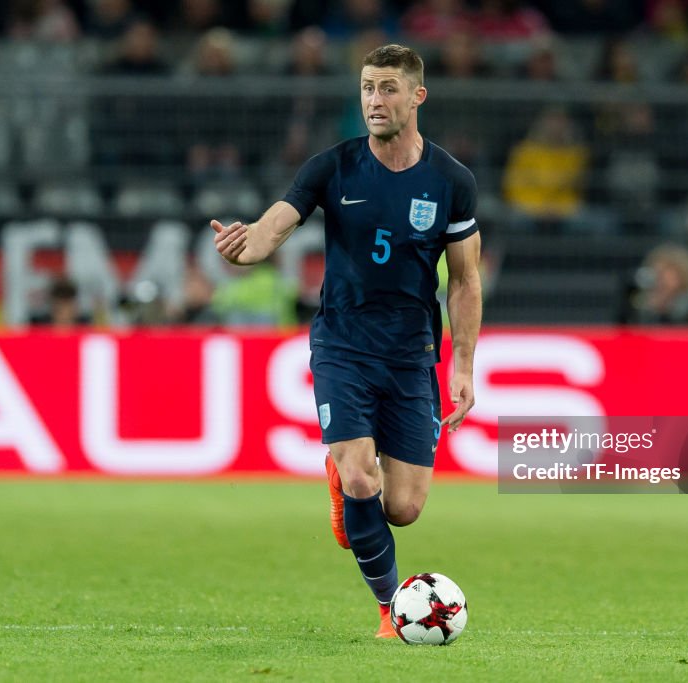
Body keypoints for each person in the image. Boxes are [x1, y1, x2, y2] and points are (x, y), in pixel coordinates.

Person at [211, 44, 482, 640]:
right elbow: (274, 225)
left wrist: (463, 365)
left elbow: (464, 280)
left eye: (387, 88)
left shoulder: (451, 182)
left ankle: (343, 483)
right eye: (366, 88)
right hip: (343, 345)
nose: (374, 101)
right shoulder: (332, 167)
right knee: (363, 476)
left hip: (412, 354)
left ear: (417, 96)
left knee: (404, 508)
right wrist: (245, 246)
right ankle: (391, 608)